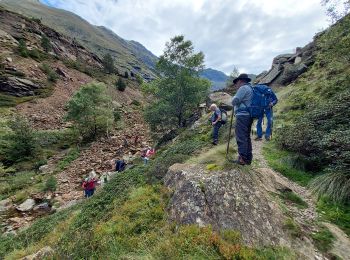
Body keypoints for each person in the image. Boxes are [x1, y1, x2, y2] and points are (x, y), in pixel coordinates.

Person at [231, 73, 253, 165]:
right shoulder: (251, 88)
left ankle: (242, 159)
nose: (236, 85)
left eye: (236, 83)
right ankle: (248, 159)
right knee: (246, 137)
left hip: (242, 115)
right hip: (249, 115)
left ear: (240, 81)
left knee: (241, 136)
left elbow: (235, 101)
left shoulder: (243, 88)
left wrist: (232, 99)